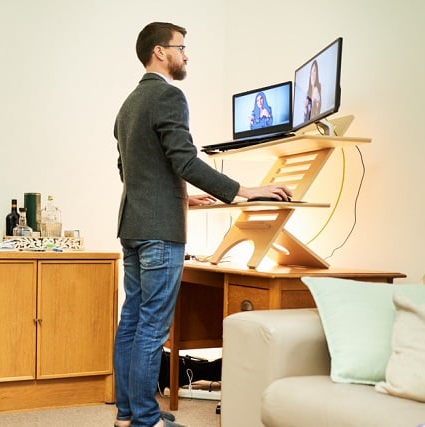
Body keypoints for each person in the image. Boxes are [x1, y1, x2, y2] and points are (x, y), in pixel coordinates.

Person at [112, 22, 292, 427]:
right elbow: (185, 160)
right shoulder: (169, 96)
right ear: (161, 52)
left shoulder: (128, 105)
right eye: (182, 47)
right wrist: (246, 190)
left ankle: (127, 414)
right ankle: (145, 419)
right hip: (160, 232)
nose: (186, 55)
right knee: (151, 328)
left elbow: (130, 167)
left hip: (133, 226)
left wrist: (183, 197)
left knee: (132, 322)